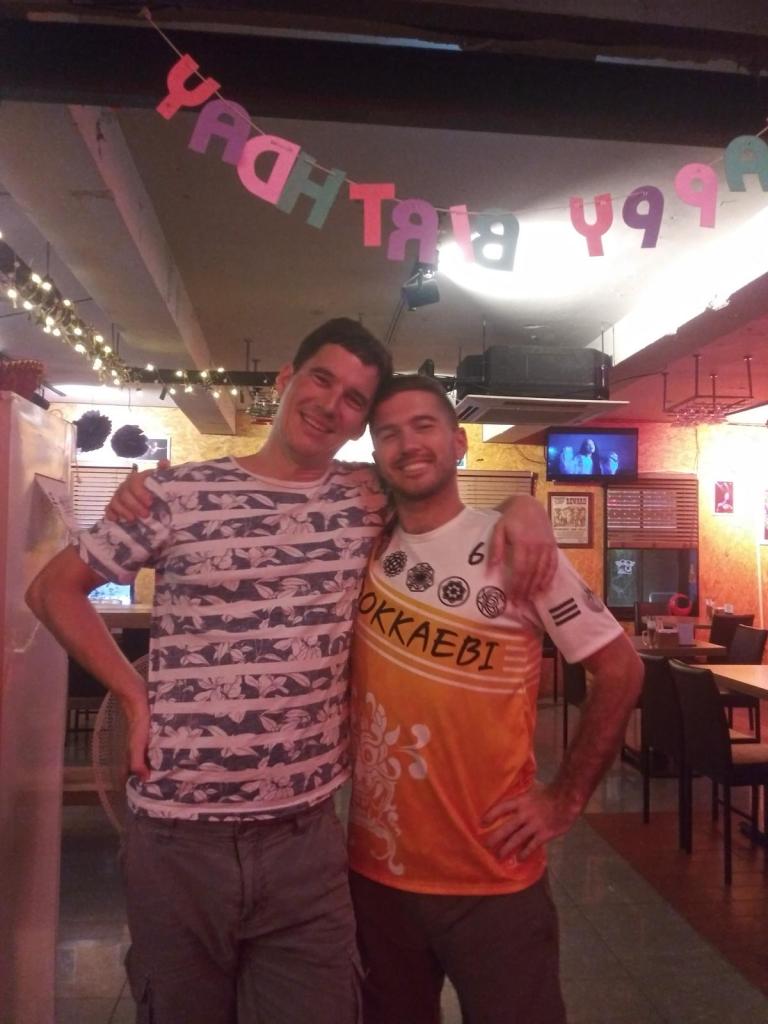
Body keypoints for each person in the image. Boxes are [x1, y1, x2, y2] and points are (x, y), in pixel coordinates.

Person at [25, 318, 558, 1024]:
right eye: (321, 380)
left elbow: (440, 487)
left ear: (360, 424)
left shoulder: (367, 497)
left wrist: (525, 506)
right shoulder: (176, 493)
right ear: (285, 379)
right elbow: (53, 591)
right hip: (178, 837)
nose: (331, 405)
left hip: (305, 840)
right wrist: (131, 692)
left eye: (354, 400)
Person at [347, 374, 643, 1024]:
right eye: (389, 433)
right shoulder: (361, 547)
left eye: (424, 425)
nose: (407, 444)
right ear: (376, 455)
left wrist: (564, 799)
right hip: (376, 874)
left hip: (493, 873)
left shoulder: (515, 545)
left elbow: (621, 671)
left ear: (458, 443)